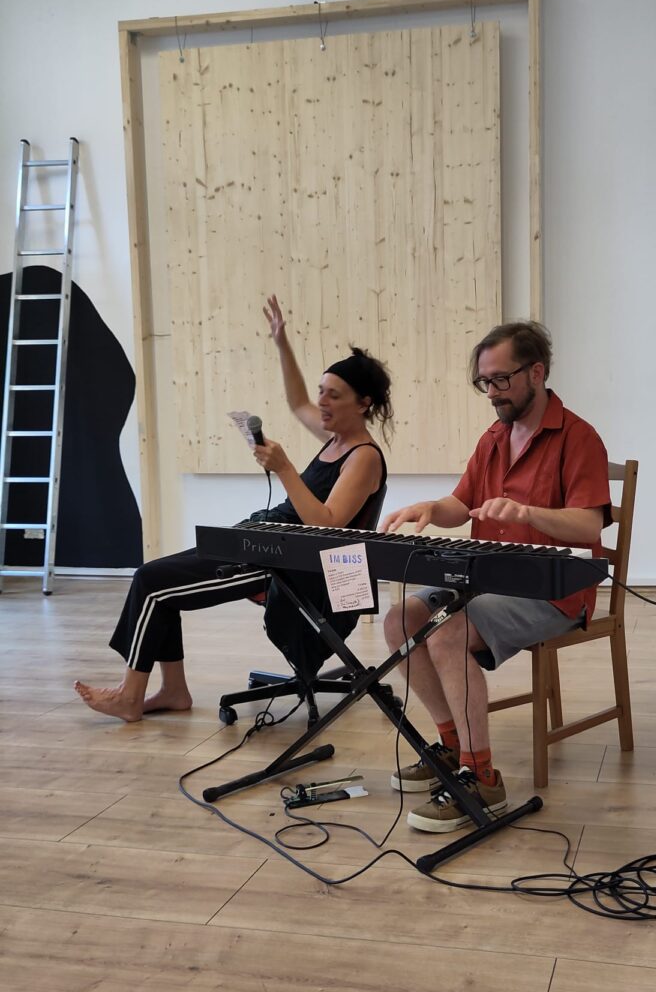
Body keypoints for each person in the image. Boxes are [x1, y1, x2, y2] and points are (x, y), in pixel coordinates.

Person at [74, 294, 391, 722]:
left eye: (333, 395)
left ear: (363, 403)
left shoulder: (364, 457)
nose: (321, 402)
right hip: (266, 542)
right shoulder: (336, 438)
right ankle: (173, 691)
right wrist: (281, 344)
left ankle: (131, 696)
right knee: (156, 579)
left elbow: (327, 523)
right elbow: (297, 401)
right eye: (322, 391)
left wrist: (284, 468)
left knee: (151, 581)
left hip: (291, 564)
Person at [380, 320, 610, 833]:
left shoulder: (579, 437)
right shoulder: (493, 437)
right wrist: (430, 507)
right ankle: (451, 746)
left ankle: (482, 778)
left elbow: (589, 525)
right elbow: (461, 504)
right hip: (488, 580)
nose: (491, 393)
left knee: (447, 632)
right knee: (399, 621)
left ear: (537, 372)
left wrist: (528, 514)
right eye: (484, 382)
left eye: (501, 380)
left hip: (554, 590)